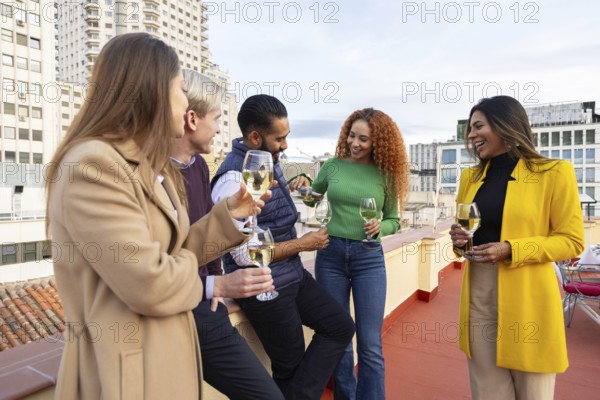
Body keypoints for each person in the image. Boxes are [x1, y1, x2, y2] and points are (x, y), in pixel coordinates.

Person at [45, 33, 274, 400]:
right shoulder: (93, 166)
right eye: (180, 89)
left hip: (160, 361)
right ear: (153, 91)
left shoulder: (146, 165)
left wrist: (227, 216)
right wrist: (213, 285)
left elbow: (174, 249)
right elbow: (150, 281)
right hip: (127, 377)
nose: (186, 105)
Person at [211, 94, 356, 399]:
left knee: (340, 327)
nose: (286, 145)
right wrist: (304, 243)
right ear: (255, 137)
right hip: (265, 286)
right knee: (289, 367)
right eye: (280, 138)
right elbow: (246, 255)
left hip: (292, 275)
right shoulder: (233, 179)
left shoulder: (265, 162)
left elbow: (274, 214)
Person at [449, 95, 584, 399]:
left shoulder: (554, 172)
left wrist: (512, 249)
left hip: (529, 295)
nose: (471, 135)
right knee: (487, 391)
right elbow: (465, 233)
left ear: (504, 124)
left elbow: (572, 240)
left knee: (533, 392)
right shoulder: (470, 178)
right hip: (478, 294)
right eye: (470, 128)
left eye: (478, 125)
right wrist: (460, 242)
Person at [171, 70, 284, 399]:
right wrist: (215, 283)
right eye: (218, 118)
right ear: (192, 119)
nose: (222, 128)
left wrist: (215, 275)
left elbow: (205, 231)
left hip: (205, 306)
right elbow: (160, 258)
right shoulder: (147, 174)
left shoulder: (197, 166)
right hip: (175, 306)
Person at [311, 108, 409, 399]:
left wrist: (381, 227)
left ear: (378, 141)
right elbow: (312, 197)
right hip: (331, 257)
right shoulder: (332, 166)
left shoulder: (386, 175)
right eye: (352, 135)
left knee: (370, 346)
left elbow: (394, 219)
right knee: (340, 339)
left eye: (363, 139)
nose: (355, 143)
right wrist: (305, 186)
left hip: (368, 259)